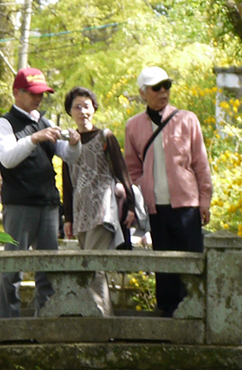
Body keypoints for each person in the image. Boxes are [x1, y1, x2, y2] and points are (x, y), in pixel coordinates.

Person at [123, 66, 212, 317]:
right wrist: (140, 195)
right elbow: (131, 168)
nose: (163, 92)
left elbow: (200, 163)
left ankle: (195, 312)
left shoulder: (187, 119)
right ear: (143, 93)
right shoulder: (133, 126)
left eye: (167, 86)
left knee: (191, 260)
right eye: (156, 88)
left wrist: (205, 199)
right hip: (155, 207)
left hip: (187, 204)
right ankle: (167, 314)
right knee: (163, 265)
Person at [0, 66, 67, 318]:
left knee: (49, 268)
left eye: (42, 94)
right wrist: (35, 138)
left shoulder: (43, 121)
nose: (38, 98)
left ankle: (47, 318)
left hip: (47, 202)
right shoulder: (5, 123)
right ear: (17, 93)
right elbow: (8, 158)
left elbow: (66, 154)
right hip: (20, 204)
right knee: (13, 268)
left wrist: (75, 144)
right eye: (34, 93)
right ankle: (7, 324)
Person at [58, 87, 135, 315]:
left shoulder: (105, 137)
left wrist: (130, 205)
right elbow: (68, 183)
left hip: (103, 209)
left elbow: (122, 172)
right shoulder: (67, 142)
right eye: (77, 106)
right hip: (81, 211)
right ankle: (100, 316)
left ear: (94, 108)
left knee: (93, 266)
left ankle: (101, 319)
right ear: (70, 112)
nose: (83, 111)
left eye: (87, 105)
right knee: (91, 266)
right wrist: (68, 218)